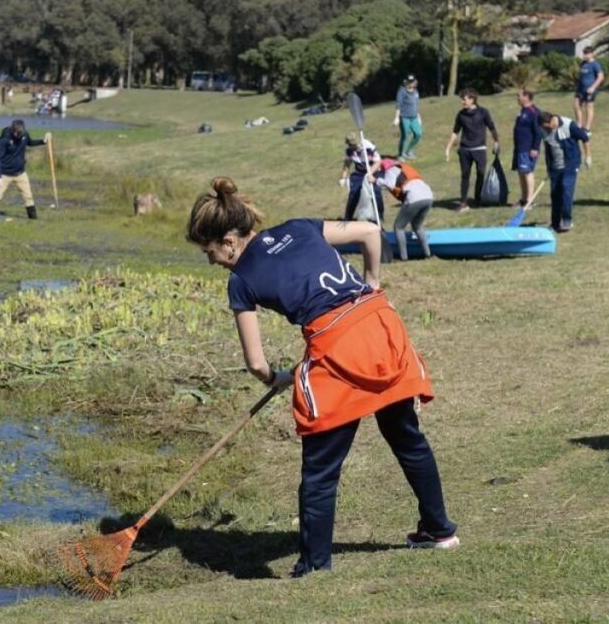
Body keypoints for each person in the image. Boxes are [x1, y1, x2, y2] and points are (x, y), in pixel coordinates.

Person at [186, 177, 459, 578]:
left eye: (210, 252)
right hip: (381, 328)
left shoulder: (240, 280)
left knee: (320, 470)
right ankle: (439, 531)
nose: (213, 261)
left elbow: (256, 364)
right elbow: (370, 232)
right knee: (406, 437)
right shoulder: (299, 227)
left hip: (341, 352)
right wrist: (372, 282)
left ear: (228, 241)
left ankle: (314, 566)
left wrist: (278, 378)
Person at [444, 88, 500, 212]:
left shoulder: (483, 112)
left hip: (480, 149)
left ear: (472, 99)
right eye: (462, 100)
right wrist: (448, 148)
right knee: (465, 176)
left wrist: (496, 142)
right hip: (465, 150)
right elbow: (455, 132)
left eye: (464, 100)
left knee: (480, 173)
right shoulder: (461, 115)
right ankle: (463, 203)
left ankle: (477, 199)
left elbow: (492, 128)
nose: (462, 102)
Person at [537, 111, 592, 232]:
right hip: (555, 168)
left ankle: (567, 220)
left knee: (566, 190)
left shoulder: (568, 125)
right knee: (555, 194)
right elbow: (548, 149)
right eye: (544, 127)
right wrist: (549, 167)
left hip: (570, 164)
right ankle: (555, 224)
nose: (547, 129)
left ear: (552, 119)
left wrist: (588, 156)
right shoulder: (544, 130)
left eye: (548, 126)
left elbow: (585, 138)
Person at [0, 119, 50, 220]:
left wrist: (43, 141)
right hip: (5, 174)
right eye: (17, 133)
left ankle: (33, 218)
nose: (18, 136)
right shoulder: (4, 140)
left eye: (20, 134)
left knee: (28, 196)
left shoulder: (24, 135)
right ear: (12, 130)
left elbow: (30, 142)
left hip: (20, 173)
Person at [377, 159, 433, 261]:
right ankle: (428, 254)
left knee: (398, 227)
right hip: (428, 195)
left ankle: (404, 258)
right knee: (417, 226)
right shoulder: (404, 167)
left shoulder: (390, 169)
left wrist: (376, 180)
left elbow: (389, 184)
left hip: (414, 196)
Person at [339, 133, 384, 222]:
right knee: (353, 195)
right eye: (352, 146)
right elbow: (347, 164)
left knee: (376, 193)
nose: (354, 147)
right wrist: (343, 177)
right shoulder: (349, 151)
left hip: (373, 171)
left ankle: (379, 216)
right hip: (359, 173)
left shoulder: (369, 147)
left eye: (355, 145)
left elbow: (378, 162)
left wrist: (370, 173)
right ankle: (348, 218)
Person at [511, 89, 543, 207]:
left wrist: (535, 147)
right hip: (519, 148)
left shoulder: (533, 112)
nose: (517, 98)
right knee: (521, 173)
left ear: (526, 97)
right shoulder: (522, 111)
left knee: (527, 172)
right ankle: (523, 199)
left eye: (519, 96)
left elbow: (538, 132)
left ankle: (530, 200)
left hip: (528, 148)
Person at [573, 46, 605, 135]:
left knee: (589, 107)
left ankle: (587, 129)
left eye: (587, 53)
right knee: (576, 105)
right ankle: (579, 125)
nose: (585, 55)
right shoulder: (583, 64)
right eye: (584, 53)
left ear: (592, 54)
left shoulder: (595, 64)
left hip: (590, 90)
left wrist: (593, 87)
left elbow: (601, 77)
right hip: (580, 89)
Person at [393, 75, 423, 160]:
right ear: (405, 82)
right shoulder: (402, 91)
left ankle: (409, 151)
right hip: (404, 117)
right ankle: (400, 155)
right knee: (405, 136)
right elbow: (398, 105)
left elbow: (416, 105)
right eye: (409, 82)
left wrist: (418, 117)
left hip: (414, 117)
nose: (411, 83)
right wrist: (396, 117)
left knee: (418, 134)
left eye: (412, 81)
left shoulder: (416, 92)